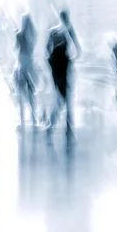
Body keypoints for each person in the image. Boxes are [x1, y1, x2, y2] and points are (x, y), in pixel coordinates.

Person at [46, 10, 81, 142]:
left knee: (62, 95)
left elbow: (46, 50)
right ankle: (62, 125)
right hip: (65, 66)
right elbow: (78, 50)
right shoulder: (68, 29)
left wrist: (51, 60)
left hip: (55, 66)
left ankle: (59, 124)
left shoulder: (53, 32)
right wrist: (71, 58)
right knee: (65, 96)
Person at [15, 14, 37, 128]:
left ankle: (22, 119)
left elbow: (16, 48)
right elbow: (32, 48)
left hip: (21, 64)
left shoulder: (19, 34)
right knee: (31, 92)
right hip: (30, 64)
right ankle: (34, 119)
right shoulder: (33, 35)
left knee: (21, 92)